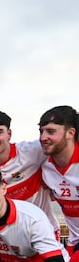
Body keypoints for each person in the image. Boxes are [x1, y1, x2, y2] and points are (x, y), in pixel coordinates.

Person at [38, 106, 79, 251]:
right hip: (72, 244)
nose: (43, 137)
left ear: (70, 133)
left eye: (51, 131)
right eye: (41, 131)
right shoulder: (44, 166)